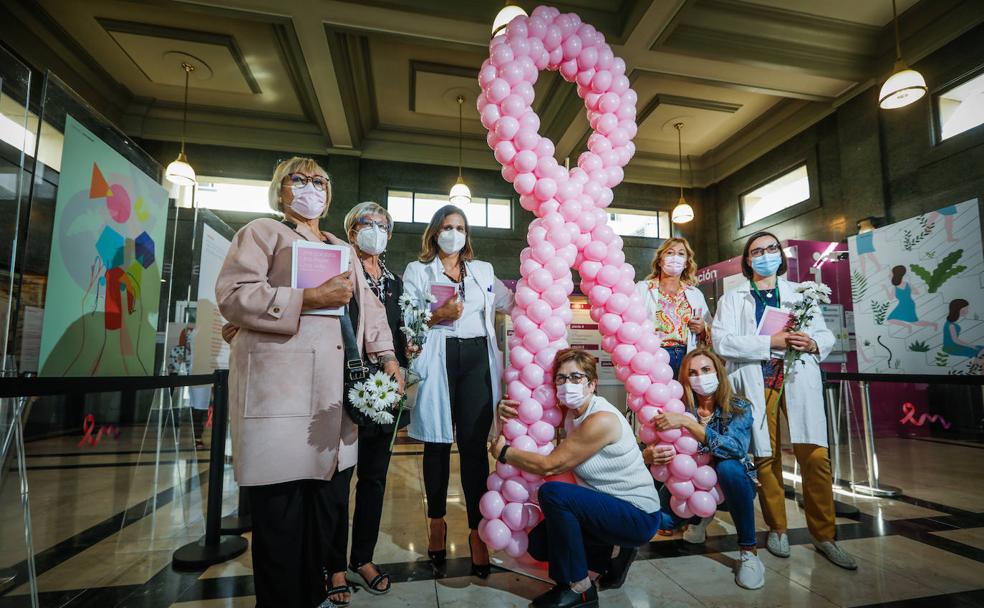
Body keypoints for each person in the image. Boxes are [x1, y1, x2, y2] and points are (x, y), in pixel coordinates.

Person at [216, 157, 401, 608]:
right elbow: (233, 296)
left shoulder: (342, 246)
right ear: (280, 190)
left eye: (319, 181)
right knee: (280, 519)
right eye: (298, 180)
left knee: (323, 513)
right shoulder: (262, 233)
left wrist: (389, 357)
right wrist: (310, 297)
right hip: (280, 398)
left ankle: (315, 590)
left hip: (331, 402)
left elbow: (372, 315)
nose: (309, 188)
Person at [712, 231, 856, 570]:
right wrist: (769, 342)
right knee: (766, 455)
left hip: (797, 377)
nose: (765, 255)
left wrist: (814, 342)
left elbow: (824, 333)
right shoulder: (734, 299)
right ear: (747, 261)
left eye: (771, 249)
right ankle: (777, 528)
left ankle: (825, 536)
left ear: (781, 254)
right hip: (758, 380)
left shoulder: (800, 293)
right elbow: (722, 341)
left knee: (815, 455)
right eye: (756, 251)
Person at [492, 348, 661, 608]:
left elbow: (550, 465)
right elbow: (531, 414)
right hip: (606, 504)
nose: (567, 384)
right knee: (539, 545)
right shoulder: (572, 413)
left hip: (637, 514)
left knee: (554, 495)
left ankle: (579, 587)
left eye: (576, 377)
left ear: (592, 384)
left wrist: (504, 453)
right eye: (561, 378)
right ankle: (611, 553)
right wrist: (504, 408)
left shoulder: (600, 420)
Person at [402, 205, 515, 578]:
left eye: (461, 227)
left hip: (477, 358)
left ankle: (475, 530)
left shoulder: (482, 271)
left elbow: (510, 302)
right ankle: (437, 522)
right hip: (439, 353)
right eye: (448, 227)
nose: (454, 233)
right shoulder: (418, 271)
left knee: (472, 446)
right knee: (436, 443)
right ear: (435, 233)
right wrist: (438, 315)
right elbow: (406, 322)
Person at [316, 202, 410, 600]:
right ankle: (334, 566)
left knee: (374, 477)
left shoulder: (395, 282)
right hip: (345, 378)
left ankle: (363, 558)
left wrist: (405, 353)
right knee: (338, 478)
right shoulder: (340, 266)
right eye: (368, 223)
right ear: (352, 230)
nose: (376, 229)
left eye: (383, 224)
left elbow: (396, 328)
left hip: (385, 383)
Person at [643, 348, 764, 590]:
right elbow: (652, 444)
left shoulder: (739, 406)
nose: (701, 377)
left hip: (729, 486)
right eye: (693, 373)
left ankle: (749, 551)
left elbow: (735, 449)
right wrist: (648, 455)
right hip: (689, 487)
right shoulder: (677, 406)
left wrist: (688, 424)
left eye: (706, 370)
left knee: (729, 468)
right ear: (685, 379)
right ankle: (698, 518)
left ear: (718, 372)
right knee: (662, 522)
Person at [634, 237, 711, 379]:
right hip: (654, 355)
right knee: (657, 397)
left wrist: (702, 328)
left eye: (681, 254)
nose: (675, 257)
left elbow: (710, 331)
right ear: (659, 260)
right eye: (670, 253)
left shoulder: (695, 294)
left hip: (686, 356)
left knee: (685, 399)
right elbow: (630, 325)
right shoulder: (642, 289)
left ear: (687, 263)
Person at [885, 265, 938, 333]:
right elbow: (916, 292)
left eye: (891, 273)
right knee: (891, 319)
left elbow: (890, 298)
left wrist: (886, 289)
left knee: (914, 322)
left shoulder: (896, 287)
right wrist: (907, 292)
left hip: (907, 305)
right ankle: (908, 326)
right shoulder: (906, 284)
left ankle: (933, 324)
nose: (890, 275)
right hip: (905, 304)